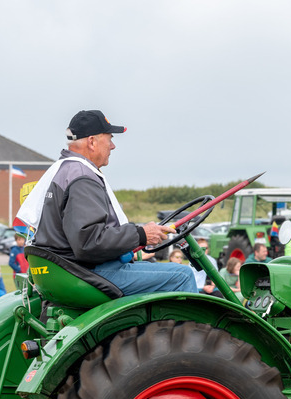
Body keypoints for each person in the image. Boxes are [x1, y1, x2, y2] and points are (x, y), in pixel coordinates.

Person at [16, 109, 195, 296]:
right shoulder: (83, 178)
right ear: (92, 142)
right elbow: (89, 242)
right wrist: (141, 234)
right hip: (87, 271)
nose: (113, 146)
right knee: (182, 275)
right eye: (109, 139)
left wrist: (136, 236)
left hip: (71, 268)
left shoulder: (65, 170)